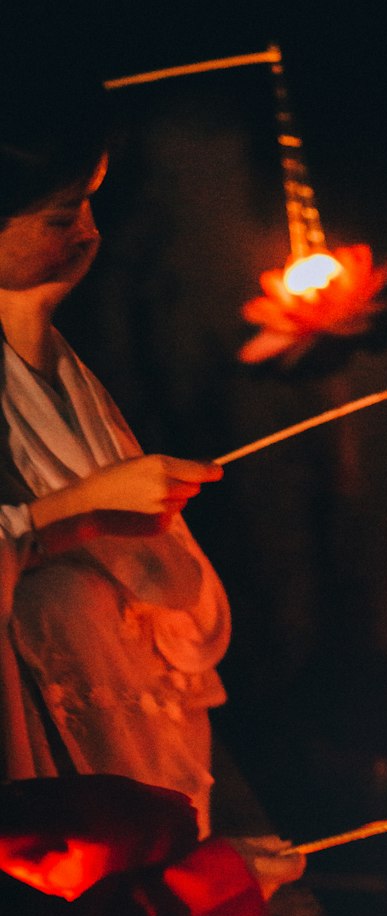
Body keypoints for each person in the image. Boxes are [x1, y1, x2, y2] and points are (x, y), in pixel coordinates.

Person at [1, 69, 230, 836]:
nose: (90, 232)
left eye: (93, 202)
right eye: (62, 215)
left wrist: (29, 312)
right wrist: (83, 508)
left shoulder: (51, 357)